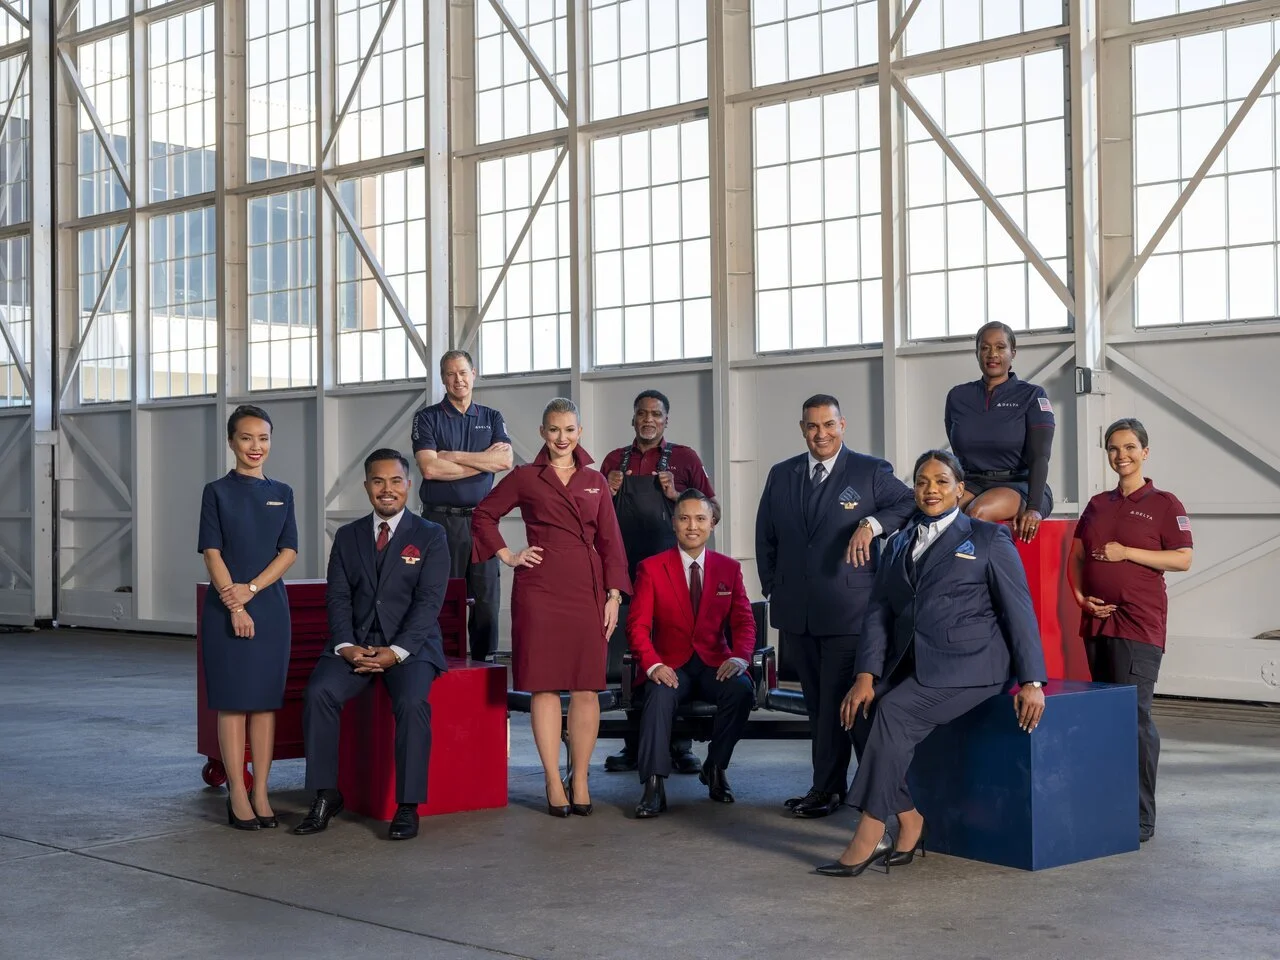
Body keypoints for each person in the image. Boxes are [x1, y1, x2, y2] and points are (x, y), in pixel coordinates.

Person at [817, 450, 1047, 877]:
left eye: (942, 481)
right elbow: (878, 612)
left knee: (894, 712)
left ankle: (868, 834)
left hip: (974, 666)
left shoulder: (987, 539)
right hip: (915, 662)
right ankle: (909, 819)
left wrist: (1033, 680)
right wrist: (866, 675)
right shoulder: (899, 540)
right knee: (862, 713)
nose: (931, 490)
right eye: (922, 482)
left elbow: (1019, 610)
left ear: (961, 490)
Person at [755, 394, 915, 819]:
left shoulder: (869, 470)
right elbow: (765, 536)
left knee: (846, 705)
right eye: (812, 426)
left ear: (843, 425)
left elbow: (910, 502)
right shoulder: (781, 474)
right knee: (817, 706)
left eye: (828, 425)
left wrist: (872, 524)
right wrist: (773, 587)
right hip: (797, 613)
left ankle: (872, 797)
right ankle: (828, 789)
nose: (820, 434)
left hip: (850, 611)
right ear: (802, 428)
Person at [471, 398, 631, 818]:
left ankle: (579, 776)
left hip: (587, 587)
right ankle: (549, 777)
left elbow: (612, 542)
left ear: (580, 432)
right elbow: (484, 515)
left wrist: (614, 596)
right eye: (554, 430)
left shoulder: (595, 480)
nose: (562, 438)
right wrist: (508, 555)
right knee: (544, 686)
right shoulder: (525, 477)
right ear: (543, 432)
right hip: (540, 589)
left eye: (570, 430)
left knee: (586, 687)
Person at [294, 449, 450, 842]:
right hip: (355, 644)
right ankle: (326, 794)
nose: (387, 489)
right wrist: (345, 646)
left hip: (410, 648)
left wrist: (396, 653)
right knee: (319, 693)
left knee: (413, 703)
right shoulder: (347, 537)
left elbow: (429, 603)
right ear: (366, 487)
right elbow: (338, 597)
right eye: (378, 481)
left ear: (408, 485)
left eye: (395, 481)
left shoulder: (431, 535)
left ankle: (408, 805)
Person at [1068, 418, 1192, 844]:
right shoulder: (1098, 504)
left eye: (1129, 447)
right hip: (1096, 622)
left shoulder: (1164, 503)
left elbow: (1182, 559)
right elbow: (1078, 556)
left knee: (1134, 718)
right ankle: (1108, 803)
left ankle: (1141, 817)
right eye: (1113, 449)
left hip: (1139, 624)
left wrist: (1127, 552)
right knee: (1105, 716)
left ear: (1145, 452)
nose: (1121, 455)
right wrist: (1081, 597)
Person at [600, 389, 716, 775]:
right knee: (630, 658)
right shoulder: (614, 461)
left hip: (672, 575)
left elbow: (713, 510)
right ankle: (634, 746)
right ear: (633, 419)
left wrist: (675, 493)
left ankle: (680, 746)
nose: (648, 419)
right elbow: (594, 517)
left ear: (666, 420)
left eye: (656, 414)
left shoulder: (684, 458)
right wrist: (608, 490)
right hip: (624, 574)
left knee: (674, 653)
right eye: (642, 413)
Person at [198, 404, 298, 830]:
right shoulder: (216, 492)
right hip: (226, 609)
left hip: (271, 609)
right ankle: (238, 791)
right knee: (234, 703)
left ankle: (262, 791)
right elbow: (212, 552)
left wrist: (253, 590)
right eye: (246, 438)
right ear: (231, 442)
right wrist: (235, 604)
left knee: (264, 704)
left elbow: (288, 550)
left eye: (263, 438)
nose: (256, 447)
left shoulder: (283, 491)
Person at [627, 490, 756, 818]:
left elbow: (743, 621)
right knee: (658, 695)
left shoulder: (728, 569)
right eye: (684, 518)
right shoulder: (651, 568)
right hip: (671, 663)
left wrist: (740, 657)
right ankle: (654, 785)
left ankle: (714, 767)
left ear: (712, 524)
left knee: (741, 690)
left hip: (716, 662)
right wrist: (653, 664)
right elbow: (637, 626)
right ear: (674, 524)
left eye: (700, 519)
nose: (692, 526)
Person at [412, 350, 513, 662]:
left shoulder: (491, 418)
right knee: (442, 597)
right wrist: (484, 463)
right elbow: (430, 469)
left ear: (474, 373)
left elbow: (505, 460)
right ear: (443, 378)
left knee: (486, 599)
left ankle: (485, 664)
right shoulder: (427, 418)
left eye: (463, 372)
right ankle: (441, 662)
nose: (458, 379)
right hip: (440, 522)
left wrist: (453, 456)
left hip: (481, 523)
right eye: (451, 374)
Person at [945, 320, 1055, 542]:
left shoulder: (1033, 396)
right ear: (977, 353)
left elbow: (1040, 456)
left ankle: (972, 575)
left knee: (977, 513)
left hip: (1018, 483)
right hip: (973, 481)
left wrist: (1033, 507)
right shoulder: (958, 396)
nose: (992, 354)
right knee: (940, 513)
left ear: (1013, 353)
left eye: (1000, 347)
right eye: (984, 348)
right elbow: (957, 449)